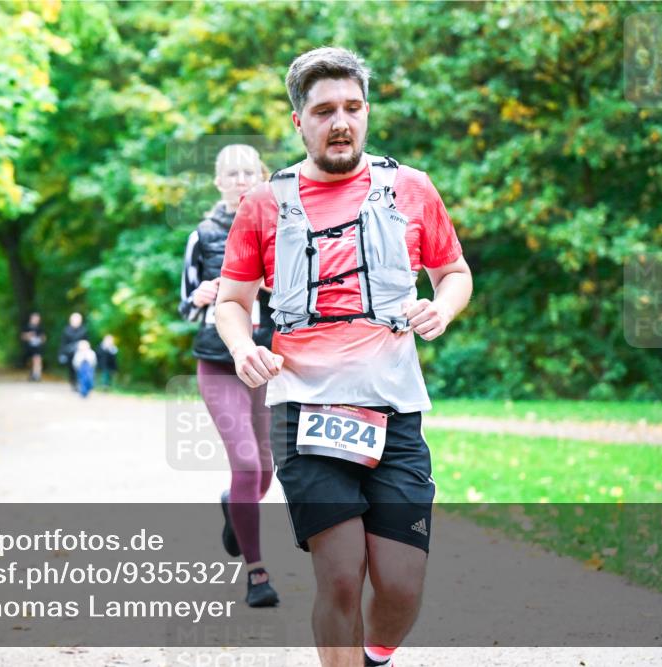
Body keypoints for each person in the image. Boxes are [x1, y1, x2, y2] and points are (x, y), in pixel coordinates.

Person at [214, 47, 473, 666]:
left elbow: (454, 273)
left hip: (394, 411)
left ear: (367, 112)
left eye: (353, 108)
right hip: (305, 412)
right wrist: (243, 346)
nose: (341, 123)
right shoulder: (265, 204)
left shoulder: (410, 189)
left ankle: (375, 656)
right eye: (324, 111)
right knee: (339, 577)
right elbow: (231, 301)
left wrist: (442, 309)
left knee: (401, 587)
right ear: (298, 121)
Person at [178, 143, 279, 608]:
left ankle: (233, 504)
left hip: (265, 361)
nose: (241, 180)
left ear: (262, 177)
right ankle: (257, 573)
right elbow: (183, 306)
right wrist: (199, 296)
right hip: (218, 361)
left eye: (248, 172)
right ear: (218, 182)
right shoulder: (202, 235)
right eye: (232, 174)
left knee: (265, 470)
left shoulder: (281, 227)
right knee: (246, 464)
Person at [58, 312, 88, 391]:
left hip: (81, 354)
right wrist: (61, 354)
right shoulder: (66, 330)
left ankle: (80, 383)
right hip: (70, 354)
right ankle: (73, 383)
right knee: (71, 369)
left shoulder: (84, 330)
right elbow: (63, 344)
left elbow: (87, 342)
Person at [20, 312, 47, 381]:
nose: (36, 320)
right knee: (31, 362)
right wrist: (28, 335)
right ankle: (32, 374)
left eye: (38, 319)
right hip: (29, 347)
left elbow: (44, 338)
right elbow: (22, 337)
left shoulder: (40, 328)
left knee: (37, 359)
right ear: (31, 319)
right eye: (35, 319)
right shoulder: (26, 327)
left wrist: (41, 339)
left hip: (37, 347)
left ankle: (37, 375)